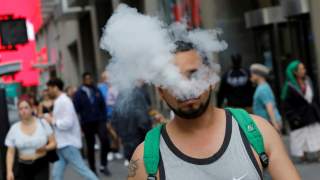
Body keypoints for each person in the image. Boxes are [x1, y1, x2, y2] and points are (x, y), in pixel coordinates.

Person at [129, 41, 300, 180]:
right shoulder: (145, 158)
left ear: (211, 78)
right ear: (160, 91)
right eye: (172, 80)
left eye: (193, 75)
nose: (185, 88)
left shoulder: (258, 132)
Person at [45, 78, 98, 180]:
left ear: (55, 88)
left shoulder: (64, 101)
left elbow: (68, 122)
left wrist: (53, 120)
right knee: (56, 174)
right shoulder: (61, 101)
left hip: (67, 143)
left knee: (82, 170)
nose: (48, 91)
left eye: (49, 89)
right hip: (62, 143)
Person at [5, 98, 56, 180]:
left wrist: (45, 148)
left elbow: (53, 143)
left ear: (32, 108)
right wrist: (9, 171)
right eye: (20, 109)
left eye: (26, 107)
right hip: (23, 166)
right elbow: (10, 152)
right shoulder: (14, 128)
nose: (23, 111)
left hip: (41, 164)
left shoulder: (43, 123)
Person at [281, 60, 320, 161]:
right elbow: (287, 105)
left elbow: (315, 97)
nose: (304, 70)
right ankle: (304, 155)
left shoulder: (308, 81)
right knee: (301, 136)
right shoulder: (289, 87)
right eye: (302, 69)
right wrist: (293, 117)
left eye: (304, 68)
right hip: (299, 117)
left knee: (316, 133)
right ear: (295, 72)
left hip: (312, 114)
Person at [73, 72, 111, 175]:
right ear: (83, 80)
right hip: (87, 123)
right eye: (87, 79)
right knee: (90, 146)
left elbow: (103, 105)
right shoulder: (78, 93)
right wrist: (79, 125)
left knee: (105, 141)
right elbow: (75, 110)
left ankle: (103, 165)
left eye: (90, 78)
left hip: (99, 120)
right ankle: (92, 169)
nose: (89, 80)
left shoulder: (96, 90)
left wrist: (105, 119)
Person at [112, 83, 152, 166]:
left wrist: (119, 132)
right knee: (142, 165)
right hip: (137, 136)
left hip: (126, 137)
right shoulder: (138, 94)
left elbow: (114, 117)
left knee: (133, 165)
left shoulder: (121, 95)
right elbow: (143, 120)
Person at [250, 64, 282, 132]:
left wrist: (275, 124)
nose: (251, 76)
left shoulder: (262, 89)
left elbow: (269, 106)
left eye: (253, 73)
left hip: (270, 123)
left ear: (258, 75)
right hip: (269, 123)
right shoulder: (264, 86)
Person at [98, 71, 122, 161]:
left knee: (117, 132)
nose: (107, 79)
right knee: (108, 134)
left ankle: (116, 150)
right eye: (105, 77)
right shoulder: (100, 88)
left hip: (116, 113)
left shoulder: (115, 87)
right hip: (105, 114)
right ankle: (110, 151)